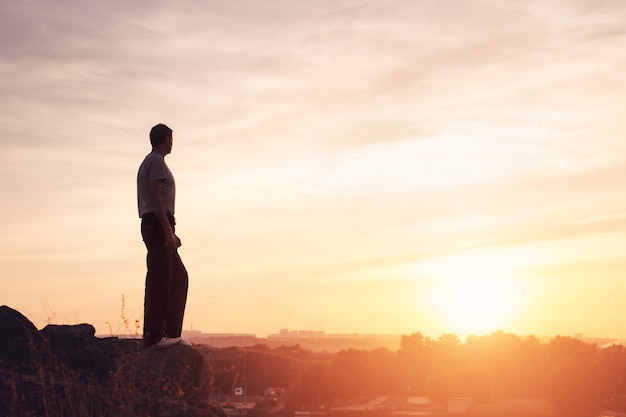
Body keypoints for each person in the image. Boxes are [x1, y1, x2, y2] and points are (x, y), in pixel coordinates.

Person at [137, 123, 190, 349]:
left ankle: (170, 334)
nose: (172, 143)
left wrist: (171, 231)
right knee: (160, 279)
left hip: (161, 224)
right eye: (171, 138)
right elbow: (155, 197)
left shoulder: (152, 161)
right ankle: (155, 336)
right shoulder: (156, 161)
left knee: (178, 278)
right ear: (166, 139)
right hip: (158, 223)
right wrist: (168, 231)